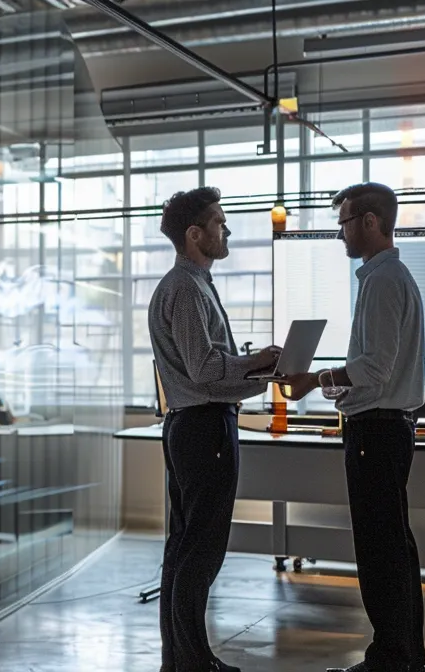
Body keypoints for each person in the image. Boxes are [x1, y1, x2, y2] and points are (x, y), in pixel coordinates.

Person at [281, 182, 425, 672]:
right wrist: (339, 388)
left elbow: (374, 368)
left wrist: (316, 379)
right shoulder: (387, 276)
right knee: (394, 547)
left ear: (370, 221)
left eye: (343, 222)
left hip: (377, 433)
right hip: (385, 426)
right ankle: (404, 656)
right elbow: (376, 370)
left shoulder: (383, 280)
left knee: (380, 551)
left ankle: (389, 659)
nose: (340, 232)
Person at [148, 187, 281, 672]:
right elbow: (204, 369)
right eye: (219, 223)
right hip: (203, 427)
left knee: (185, 548)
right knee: (200, 551)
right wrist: (256, 364)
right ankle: (193, 662)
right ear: (194, 234)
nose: (227, 231)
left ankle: (180, 661)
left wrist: (256, 371)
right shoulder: (186, 288)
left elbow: (204, 366)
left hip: (194, 425)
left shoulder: (194, 283)